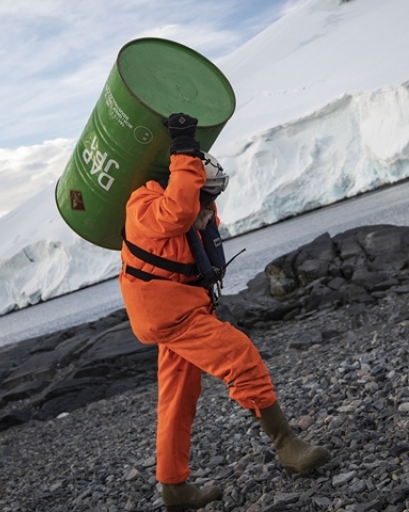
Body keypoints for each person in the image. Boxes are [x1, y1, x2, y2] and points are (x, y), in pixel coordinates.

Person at [119, 111, 330, 511]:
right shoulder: (146, 207)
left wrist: (195, 172)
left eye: (214, 193)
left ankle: (174, 488)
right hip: (170, 315)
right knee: (240, 355)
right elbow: (178, 210)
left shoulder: (194, 209)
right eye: (206, 192)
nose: (211, 203)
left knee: (177, 398)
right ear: (183, 183)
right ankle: (287, 444)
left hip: (179, 310)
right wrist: (184, 149)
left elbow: (190, 214)